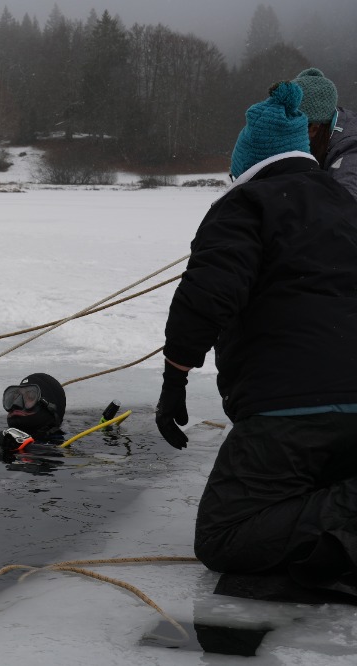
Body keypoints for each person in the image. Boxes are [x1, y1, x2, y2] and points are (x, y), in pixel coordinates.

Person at [155, 81, 357, 601]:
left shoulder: (246, 205)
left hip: (289, 411)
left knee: (226, 537)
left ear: (249, 158)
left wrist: (174, 376)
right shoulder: (347, 202)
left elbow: (207, 294)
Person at [292, 67, 357, 200]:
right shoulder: (325, 128)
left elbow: (345, 205)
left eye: (293, 128)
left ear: (314, 128)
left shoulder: (351, 149)